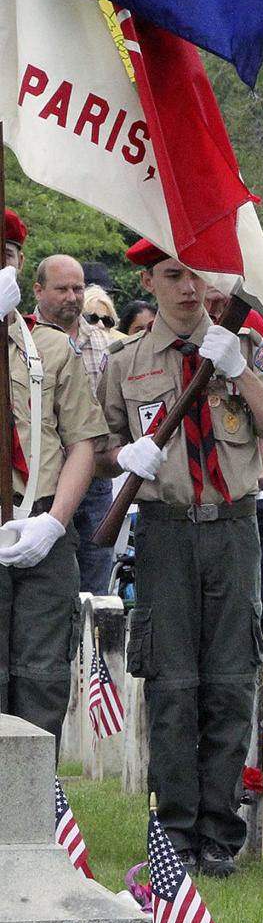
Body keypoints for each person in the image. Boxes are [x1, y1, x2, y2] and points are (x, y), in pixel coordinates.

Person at [96, 239, 263, 877]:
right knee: (172, 684)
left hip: (234, 530)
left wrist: (238, 369)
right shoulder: (125, 363)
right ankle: (174, 830)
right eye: (172, 275)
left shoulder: (247, 348)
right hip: (164, 531)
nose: (188, 288)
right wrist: (122, 458)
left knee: (231, 681)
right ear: (152, 282)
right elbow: (100, 444)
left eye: (195, 275)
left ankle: (220, 831)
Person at [0, 209, 109, 747]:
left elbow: (84, 443)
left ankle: (35, 812)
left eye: (8, 257)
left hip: (41, 521)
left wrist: (55, 522)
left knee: (42, 677)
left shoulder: (51, 348)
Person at [32, 255, 115, 596]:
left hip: (96, 480)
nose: (72, 297)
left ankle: (89, 648)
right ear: (38, 291)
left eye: (78, 288)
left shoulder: (108, 343)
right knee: (47, 584)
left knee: (95, 579)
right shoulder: (21, 340)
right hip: (44, 482)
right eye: (61, 289)